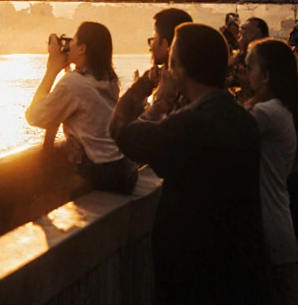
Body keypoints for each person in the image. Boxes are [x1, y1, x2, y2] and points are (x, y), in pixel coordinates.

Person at [110, 22, 270, 305]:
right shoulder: (243, 120)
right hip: (242, 273)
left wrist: (156, 94)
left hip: (197, 280)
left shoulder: (190, 125)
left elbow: (122, 132)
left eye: (171, 63)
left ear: (179, 69)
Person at [26, 21, 136, 194]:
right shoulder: (109, 80)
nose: (68, 46)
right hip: (124, 169)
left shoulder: (73, 84)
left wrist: (52, 69)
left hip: (102, 173)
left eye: (73, 41)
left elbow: (34, 116)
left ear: (82, 48)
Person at [245, 39, 298, 305]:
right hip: (278, 236)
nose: (245, 74)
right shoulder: (283, 111)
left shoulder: (268, 113)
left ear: (265, 75)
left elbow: (221, 125)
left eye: (249, 67)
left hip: (270, 241)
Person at [233, 18, 273, 101]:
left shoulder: (268, 60)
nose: (238, 37)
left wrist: (245, 93)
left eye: (244, 31)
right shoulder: (238, 60)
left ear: (258, 34)